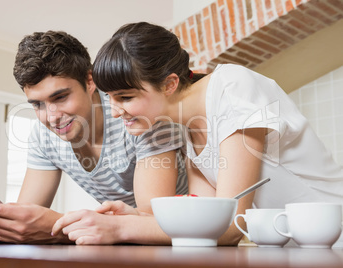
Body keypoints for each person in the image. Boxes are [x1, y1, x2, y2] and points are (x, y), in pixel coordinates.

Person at [87, 21, 343, 246]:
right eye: (109, 98)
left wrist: (122, 229)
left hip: (334, 241)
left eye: (125, 97)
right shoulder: (185, 126)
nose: (115, 112)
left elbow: (229, 226)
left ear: (169, 84)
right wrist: (138, 217)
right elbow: (207, 217)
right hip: (292, 248)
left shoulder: (233, 90)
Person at [0, 30, 188, 245]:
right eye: (37, 104)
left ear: (90, 81)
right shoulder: (43, 137)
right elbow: (24, 221)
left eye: (60, 97)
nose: (51, 116)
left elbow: (150, 222)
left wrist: (59, 226)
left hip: (181, 240)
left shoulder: (135, 115)